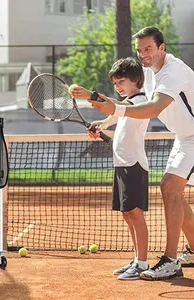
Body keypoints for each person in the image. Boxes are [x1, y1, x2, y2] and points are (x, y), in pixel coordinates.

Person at [71, 26, 194, 281]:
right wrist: (100, 106)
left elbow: (153, 107)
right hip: (184, 137)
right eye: (139, 50)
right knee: (174, 192)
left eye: (148, 48)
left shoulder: (174, 72)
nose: (143, 54)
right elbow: (130, 103)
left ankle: (170, 261)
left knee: (170, 187)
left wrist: (112, 109)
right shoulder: (148, 73)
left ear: (162, 47)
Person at [75, 57, 150, 280]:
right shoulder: (125, 105)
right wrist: (102, 127)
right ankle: (137, 259)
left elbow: (119, 107)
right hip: (121, 165)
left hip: (134, 166)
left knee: (135, 214)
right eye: (115, 83)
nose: (118, 87)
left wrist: (91, 95)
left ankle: (143, 263)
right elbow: (115, 116)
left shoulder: (140, 101)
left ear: (136, 80)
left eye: (122, 82)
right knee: (127, 214)